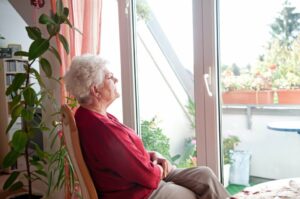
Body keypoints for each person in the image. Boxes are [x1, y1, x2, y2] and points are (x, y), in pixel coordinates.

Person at [64, 54, 230, 199]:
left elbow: (121, 159)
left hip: (138, 179)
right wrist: (158, 167)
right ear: (95, 90)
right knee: (196, 194)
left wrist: (152, 156)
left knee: (205, 174)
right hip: (138, 192)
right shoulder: (102, 130)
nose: (116, 80)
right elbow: (149, 177)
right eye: (110, 77)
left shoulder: (86, 116)